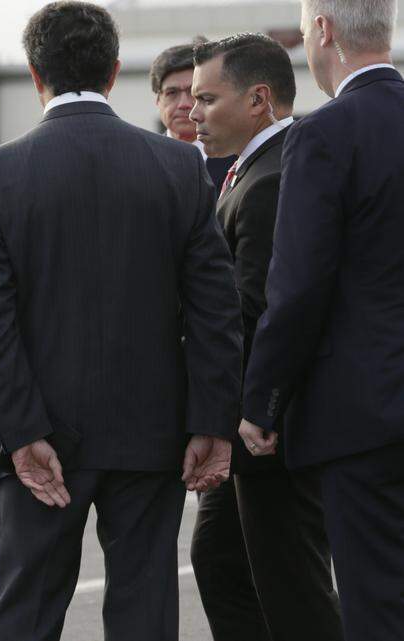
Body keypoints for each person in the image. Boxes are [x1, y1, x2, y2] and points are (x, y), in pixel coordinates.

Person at [0, 3, 242, 639]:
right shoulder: (177, 168)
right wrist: (210, 421)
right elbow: (214, 309)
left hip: (43, 437)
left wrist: (21, 430)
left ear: (36, 73)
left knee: (24, 613)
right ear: (115, 72)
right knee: (144, 611)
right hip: (153, 430)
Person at [240, 1, 404, 638]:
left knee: (379, 605)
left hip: (363, 420)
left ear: (324, 30)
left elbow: (299, 288)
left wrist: (263, 401)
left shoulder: (323, 135)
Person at [187, 33, 343, 641]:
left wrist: (257, 409)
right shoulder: (250, 168)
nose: (193, 113)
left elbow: (260, 311)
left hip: (269, 428)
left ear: (258, 100)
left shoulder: (274, 175)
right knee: (223, 562)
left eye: (207, 98)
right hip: (252, 422)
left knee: (291, 585)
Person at [151, 39, 237, 187]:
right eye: (172, 93)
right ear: (158, 100)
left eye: (193, 92)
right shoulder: (144, 159)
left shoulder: (237, 159)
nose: (184, 104)